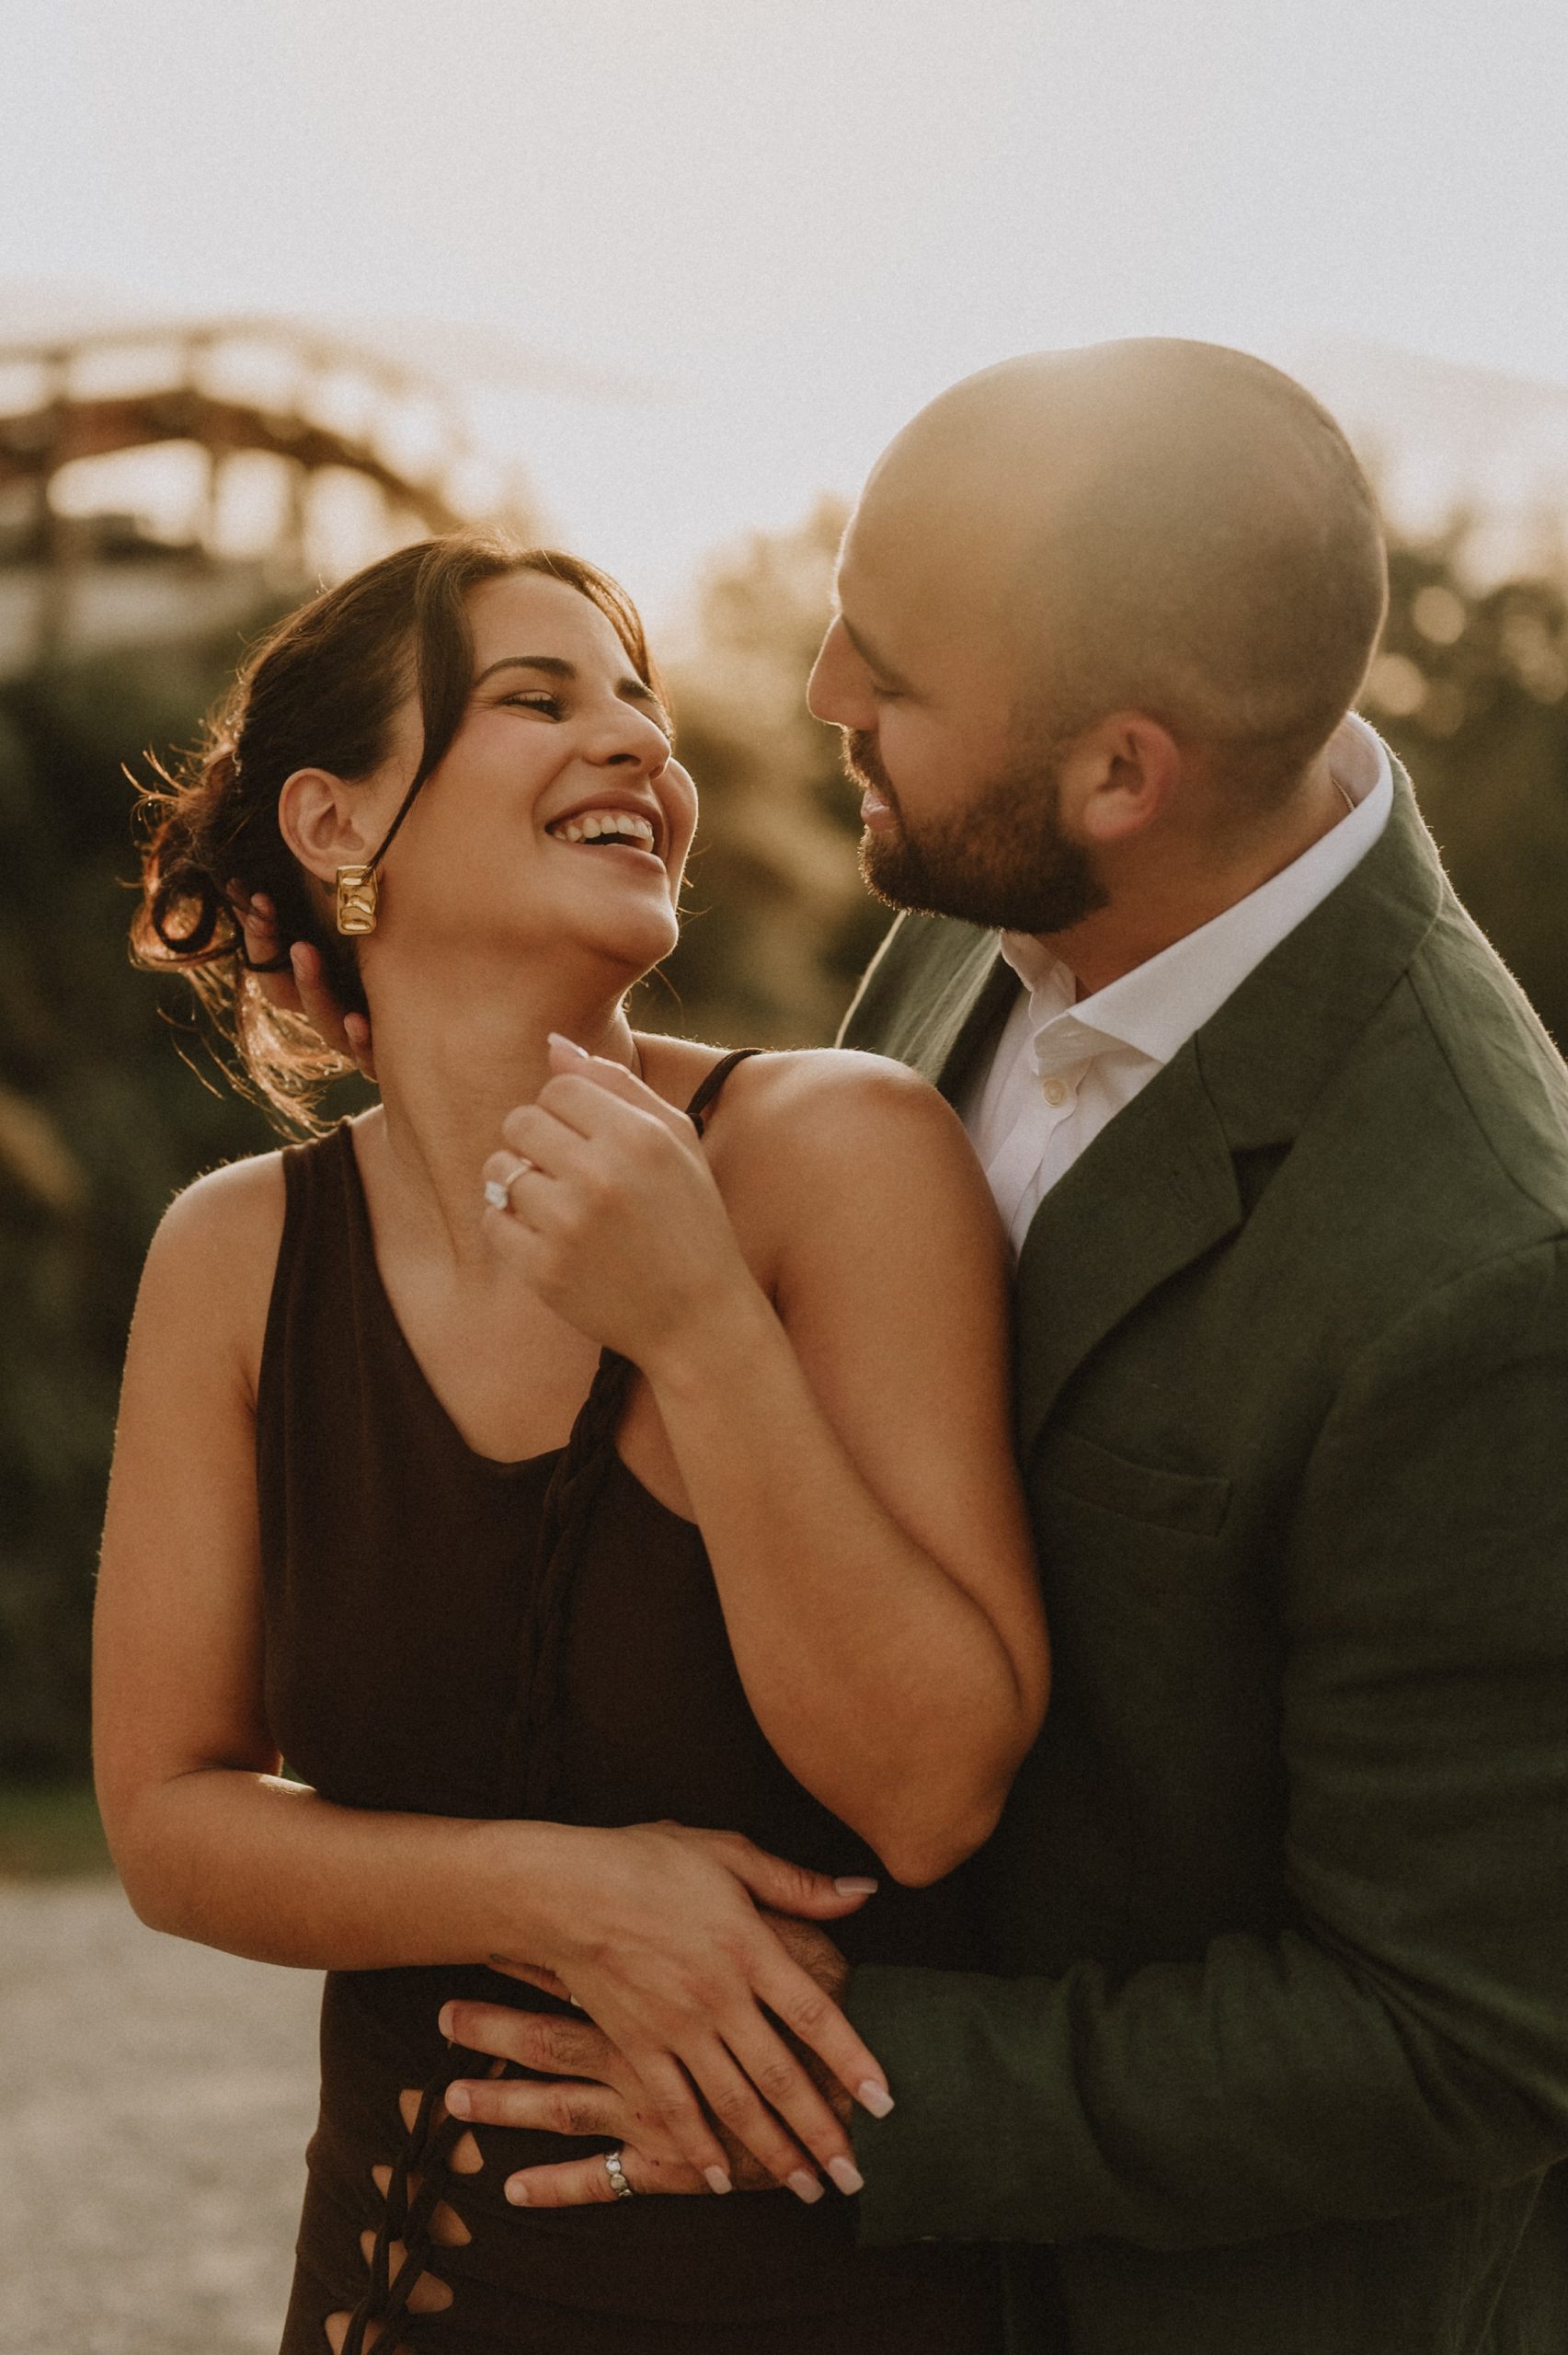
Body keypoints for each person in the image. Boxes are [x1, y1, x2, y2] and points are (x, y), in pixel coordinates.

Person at [346, 342, 1566, 2355]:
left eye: (886, 673)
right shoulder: (984, 906)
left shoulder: (1483, 1279)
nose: (822, 694)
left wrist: (812, 2074)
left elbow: (1461, 2038)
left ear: (1119, 771)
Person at [92, 536, 1052, 2354]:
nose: (634, 749)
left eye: (643, 708)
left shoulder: (840, 1154)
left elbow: (932, 1785)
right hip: (394, 2296)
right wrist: (567, 1888)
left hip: (824, 2302)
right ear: (333, 821)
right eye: (537, 699)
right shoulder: (233, 1257)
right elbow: (167, 1818)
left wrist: (695, 1320)